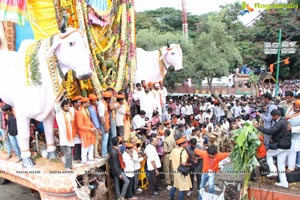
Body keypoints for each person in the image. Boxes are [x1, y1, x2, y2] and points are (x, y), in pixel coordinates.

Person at [255, 109, 291, 188]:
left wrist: (259, 127)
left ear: (276, 116)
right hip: (287, 146)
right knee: (281, 164)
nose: (272, 118)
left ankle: (273, 171)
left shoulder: (279, 123)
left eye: (272, 116)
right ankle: (284, 182)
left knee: (268, 154)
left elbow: (270, 131)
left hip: (281, 145)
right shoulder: (285, 121)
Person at [54, 93, 76, 169]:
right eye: (66, 106)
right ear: (62, 106)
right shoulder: (59, 112)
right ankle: (67, 167)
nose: (67, 107)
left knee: (71, 152)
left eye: (68, 105)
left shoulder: (70, 112)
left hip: (71, 136)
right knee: (68, 152)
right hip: (64, 136)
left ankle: (70, 165)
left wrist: (66, 97)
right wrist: (62, 94)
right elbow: (56, 102)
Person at [77, 97, 96, 165]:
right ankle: (84, 160)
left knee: (91, 144)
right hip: (84, 132)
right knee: (85, 146)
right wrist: (89, 129)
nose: (89, 104)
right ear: (84, 103)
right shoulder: (80, 112)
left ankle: (90, 157)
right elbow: (80, 125)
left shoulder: (86, 110)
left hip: (89, 130)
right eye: (88, 103)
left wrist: (93, 126)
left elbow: (89, 120)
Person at [285, 100, 300, 173]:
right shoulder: (290, 109)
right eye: (296, 107)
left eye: (298, 108)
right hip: (287, 135)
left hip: (296, 136)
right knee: (286, 150)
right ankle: (287, 164)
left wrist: (292, 129)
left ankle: (291, 167)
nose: (297, 109)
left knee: (292, 151)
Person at [88, 94, 102, 158]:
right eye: (94, 101)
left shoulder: (91, 107)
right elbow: (95, 119)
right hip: (94, 126)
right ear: (91, 101)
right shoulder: (91, 109)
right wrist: (98, 128)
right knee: (96, 141)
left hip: (93, 126)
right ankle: (96, 154)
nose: (96, 102)